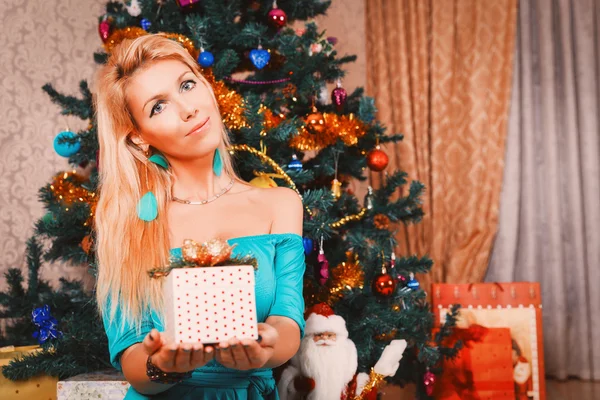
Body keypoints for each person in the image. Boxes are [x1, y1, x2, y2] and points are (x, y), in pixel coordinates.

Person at [93, 33, 306, 399]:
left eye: (187, 85)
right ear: (139, 138)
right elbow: (130, 356)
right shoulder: (122, 221)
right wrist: (162, 364)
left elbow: (288, 320)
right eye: (158, 106)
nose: (188, 109)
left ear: (206, 86)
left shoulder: (281, 204)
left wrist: (267, 346)